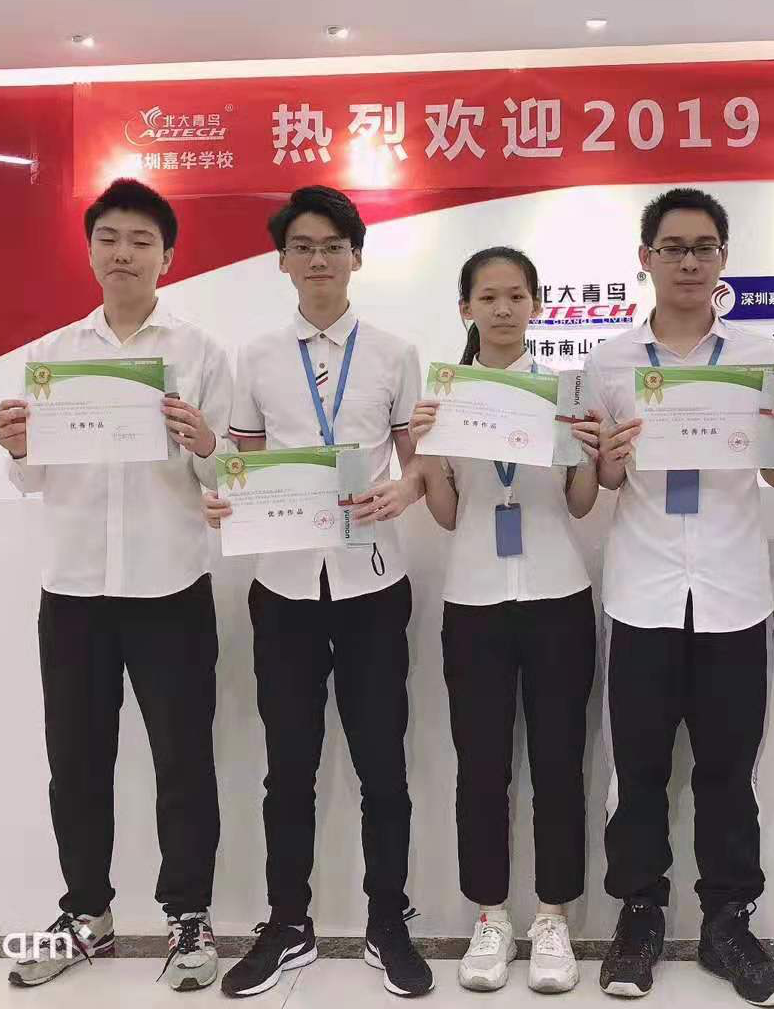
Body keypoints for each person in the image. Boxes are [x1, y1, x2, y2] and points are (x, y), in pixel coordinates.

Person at [585, 188, 774, 1006]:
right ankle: (639, 918)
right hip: (642, 590)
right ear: (645, 259)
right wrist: (610, 459)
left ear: (723, 258)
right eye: (673, 247)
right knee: (638, 770)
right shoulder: (610, 362)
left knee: (729, 771)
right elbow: (601, 480)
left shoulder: (760, 357)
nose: (689, 262)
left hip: (732, 593)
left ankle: (730, 925)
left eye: (704, 248)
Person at [0, 178, 229, 992]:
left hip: (171, 585)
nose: (123, 252)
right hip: (74, 589)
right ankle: (85, 912)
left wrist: (205, 441)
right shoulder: (53, 355)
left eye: (140, 240)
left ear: (168, 257)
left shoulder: (201, 353)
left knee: (183, 762)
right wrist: (16, 443)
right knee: (77, 762)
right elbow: (31, 479)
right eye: (109, 238)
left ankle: (188, 914)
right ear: (90, 250)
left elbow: (224, 477)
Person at [203, 185, 434, 998]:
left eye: (333, 245)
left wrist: (407, 490)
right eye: (302, 246)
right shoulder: (258, 356)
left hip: (374, 581)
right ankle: (287, 924)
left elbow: (419, 461)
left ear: (356, 257)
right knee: (288, 768)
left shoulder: (395, 353)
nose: (318, 259)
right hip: (284, 587)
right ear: (283, 261)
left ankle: (387, 922)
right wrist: (226, 497)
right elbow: (242, 462)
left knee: (384, 769)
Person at [410, 247, 602, 994]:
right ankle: (490, 917)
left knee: (558, 765)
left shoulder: (563, 391)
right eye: (487, 297)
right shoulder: (447, 397)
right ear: (466, 308)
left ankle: (552, 918)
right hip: (475, 600)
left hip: (558, 595)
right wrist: (427, 453)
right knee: (482, 768)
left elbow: (581, 504)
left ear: (536, 306)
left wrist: (585, 449)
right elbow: (448, 514)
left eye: (516, 295)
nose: (502, 308)